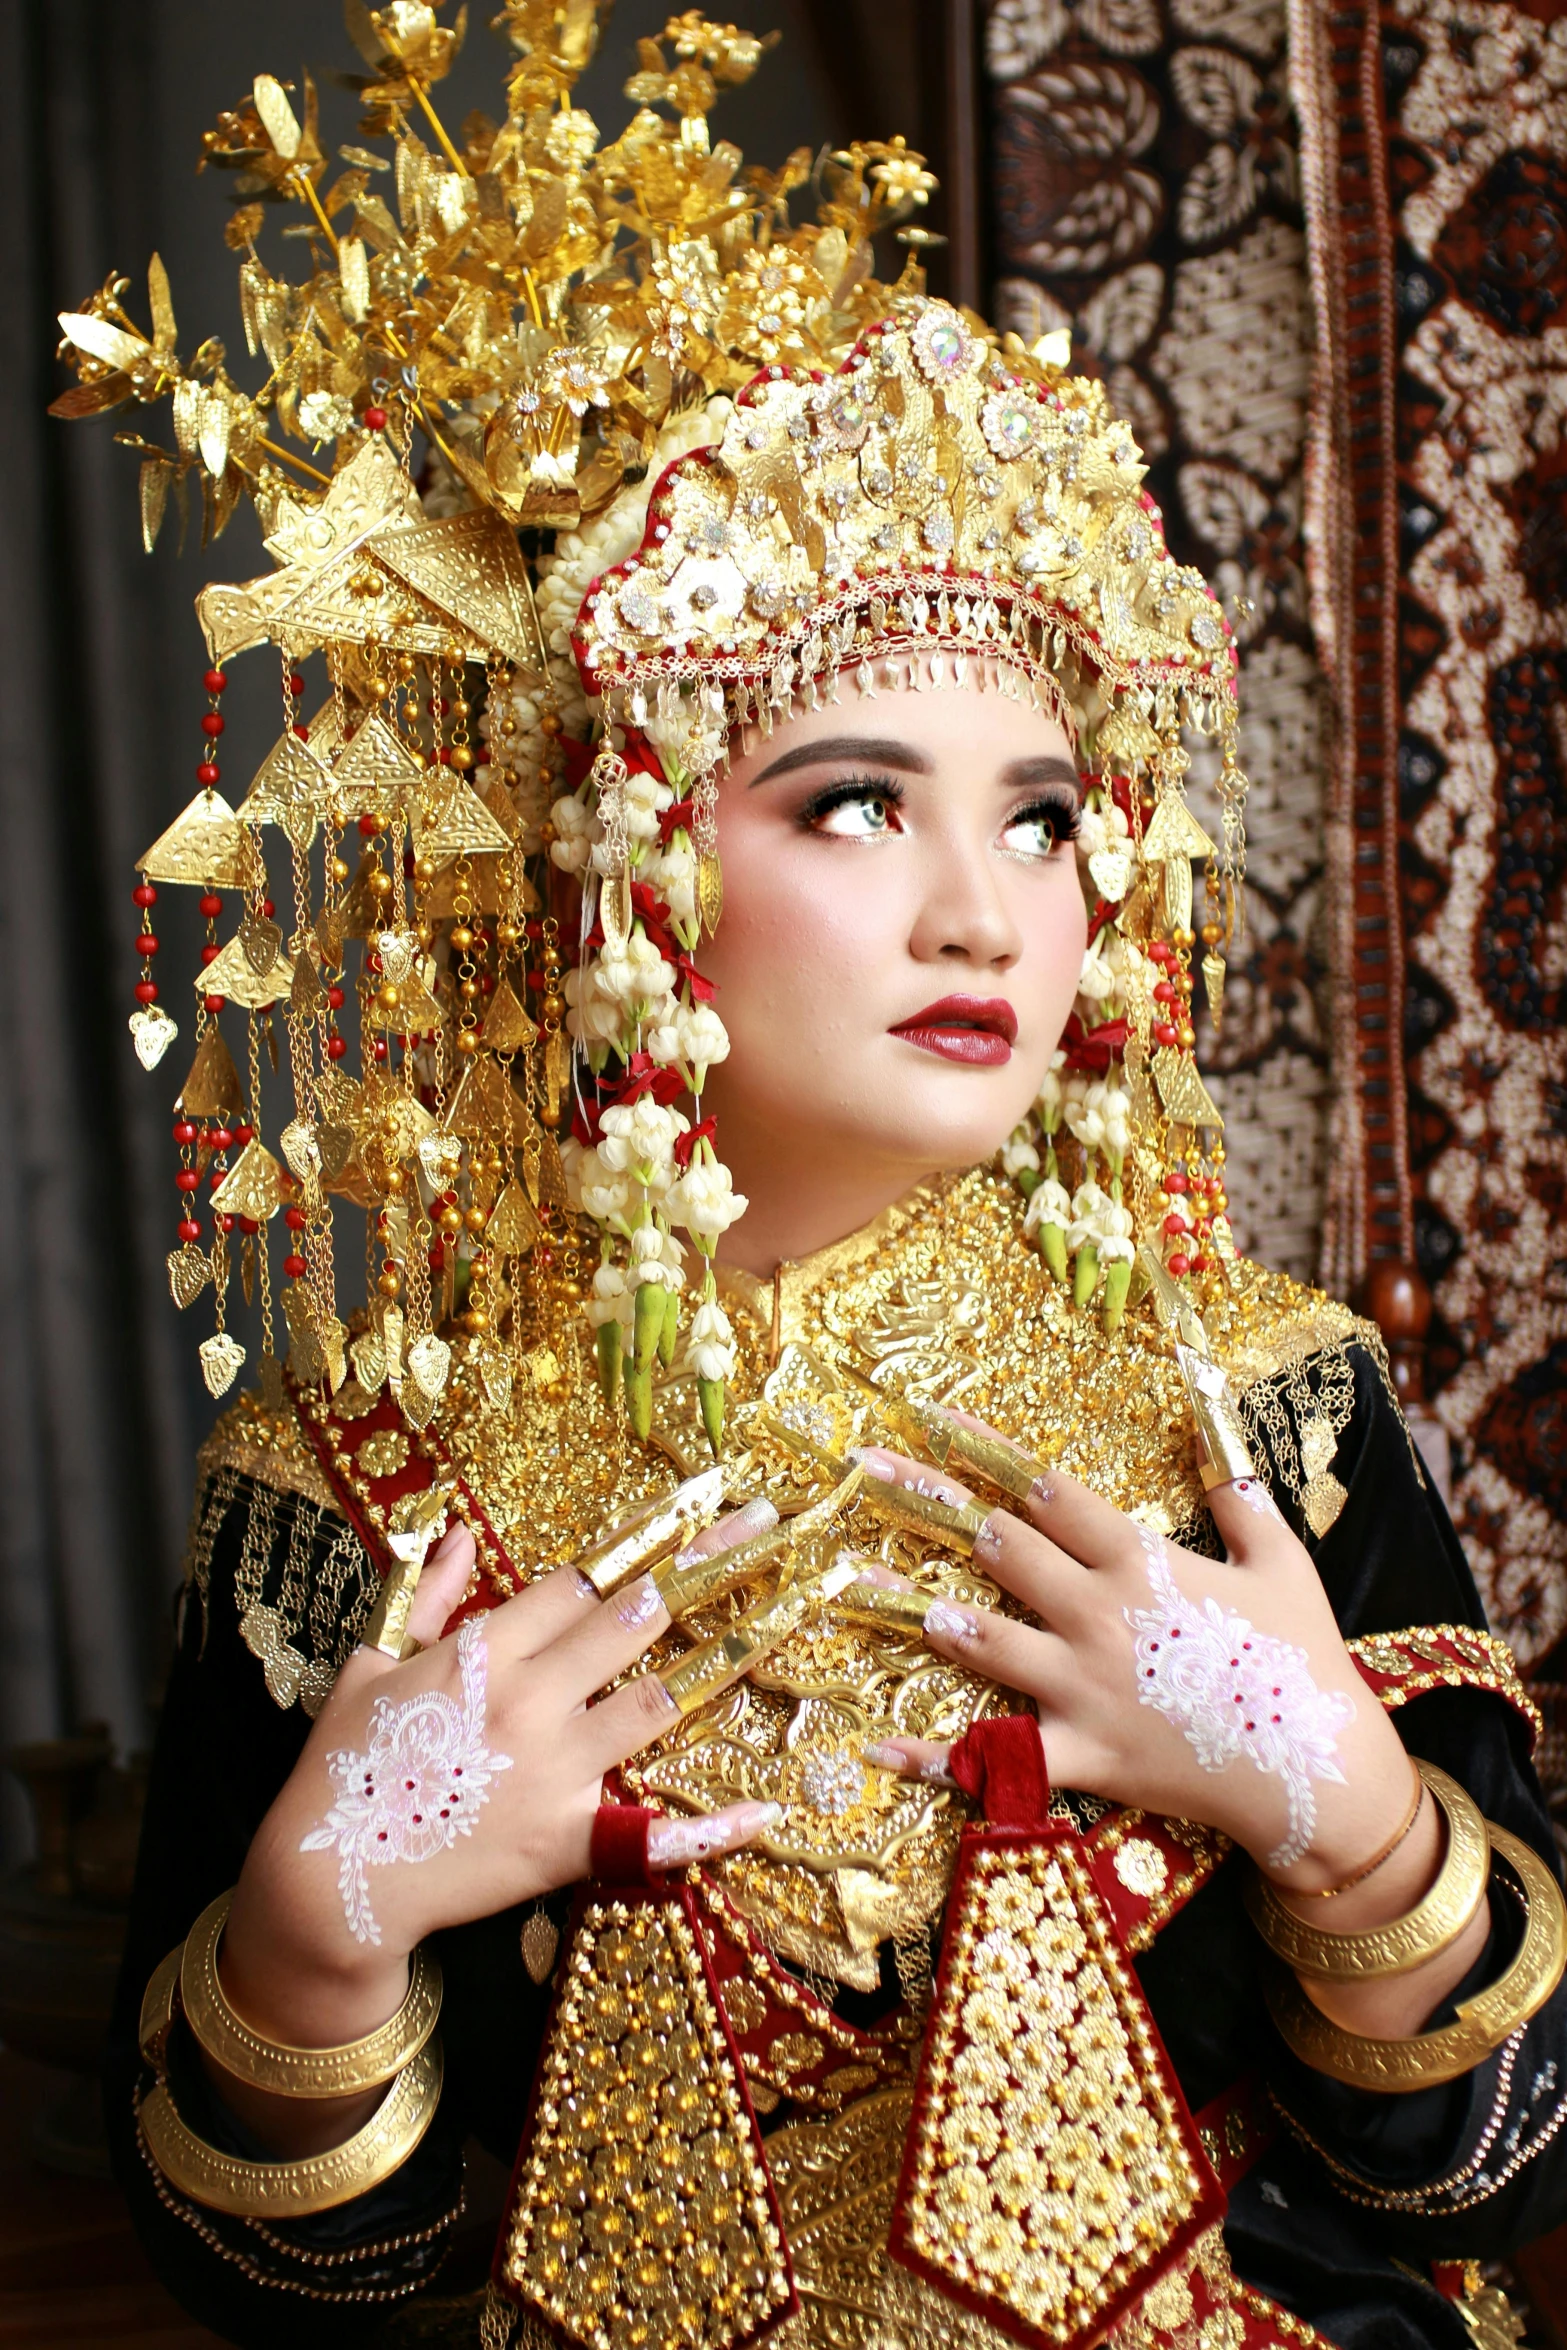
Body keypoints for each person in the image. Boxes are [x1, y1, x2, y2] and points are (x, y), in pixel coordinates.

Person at [62, 11, 1567, 2348]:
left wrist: (1346, 1814)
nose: (991, 906)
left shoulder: (1252, 1409)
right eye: (860, 800)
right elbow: (272, 2277)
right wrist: (319, 1927)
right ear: (624, 863)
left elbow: (1508, 2151)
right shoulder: (368, 1487)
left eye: (1050, 814)